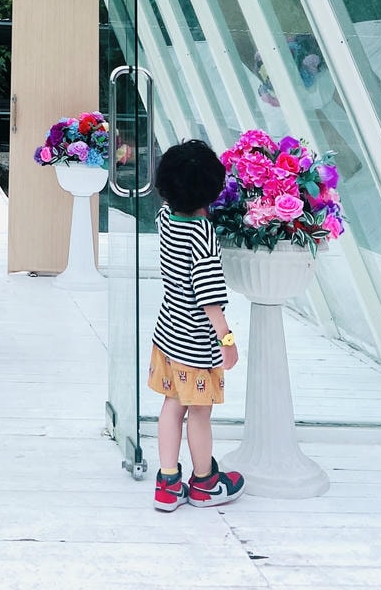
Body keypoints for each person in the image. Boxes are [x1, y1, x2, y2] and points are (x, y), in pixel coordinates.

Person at [148, 139, 244, 510]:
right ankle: (205, 482)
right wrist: (227, 339)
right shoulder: (203, 236)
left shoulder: (165, 218)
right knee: (200, 413)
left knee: (172, 405)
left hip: (168, 333)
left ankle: (168, 482)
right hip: (195, 344)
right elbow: (209, 298)